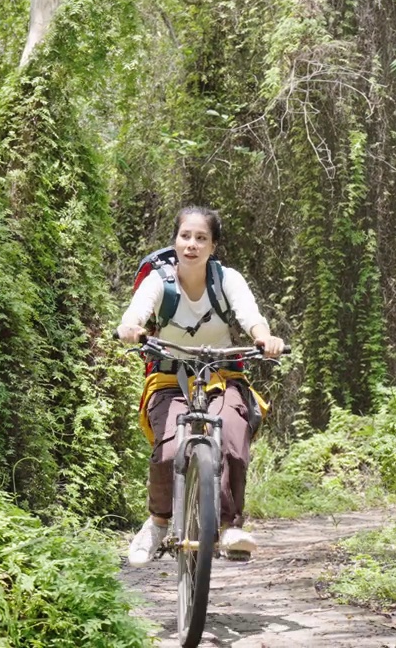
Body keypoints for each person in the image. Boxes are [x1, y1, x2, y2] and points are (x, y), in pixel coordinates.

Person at [117, 205, 286, 567]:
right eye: (185, 236)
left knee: (233, 437)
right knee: (167, 450)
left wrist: (265, 337)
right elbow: (135, 314)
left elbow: (250, 316)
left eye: (201, 238)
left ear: (213, 246)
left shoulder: (227, 280)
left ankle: (229, 527)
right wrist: (132, 328)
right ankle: (158, 522)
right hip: (169, 378)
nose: (192, 244)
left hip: (222, 377)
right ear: (175, 241)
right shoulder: (158, 282)